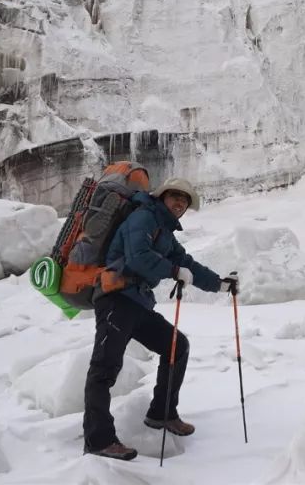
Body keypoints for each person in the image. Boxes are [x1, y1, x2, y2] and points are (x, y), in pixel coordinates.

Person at [82, 177, 239, 461]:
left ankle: (162, 414)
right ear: (162, 196)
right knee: (104, 368)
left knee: (176, 347)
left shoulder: (164, 230)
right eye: (175, 196)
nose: (179, 202)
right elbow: (138, 257)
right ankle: (99, 440)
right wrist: (173, 270)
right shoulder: (143, 217)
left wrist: (219, 284)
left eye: (185, 199)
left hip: (138, 302)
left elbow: (187, 264)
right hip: (116, 298)